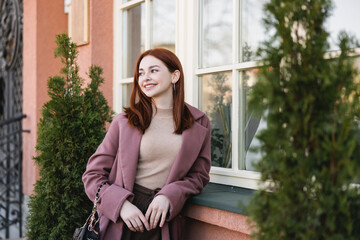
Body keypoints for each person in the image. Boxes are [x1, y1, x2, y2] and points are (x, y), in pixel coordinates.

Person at [82, 48, 211, 240]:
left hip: (164, 219)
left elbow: (199, 175)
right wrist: (121, 205)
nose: (145, 78)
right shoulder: (125, 121)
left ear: (175, 76)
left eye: (154, 71)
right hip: (124, 217)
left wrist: (170, 195)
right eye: (141, 73)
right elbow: (92, 175)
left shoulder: (199, 122)